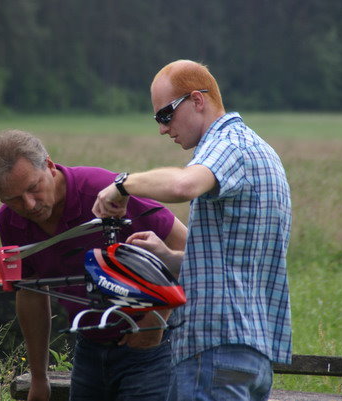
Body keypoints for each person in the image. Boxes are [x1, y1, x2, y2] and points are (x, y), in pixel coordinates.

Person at [93, 60, 292, 401]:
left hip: (214, 351)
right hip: (251, 356)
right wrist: (169, 258)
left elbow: (184, 185)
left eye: (165, 115)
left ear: (198, 101)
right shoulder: (263, 151)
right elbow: (235, 264)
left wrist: (123, 184)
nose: (162, 128)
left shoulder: (228, 145)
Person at [0, 130, 187, 401]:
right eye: (14, 199)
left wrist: (155, 322)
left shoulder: (102, 190)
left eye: (33, 188)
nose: (29, 205)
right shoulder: (10, 222)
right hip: (89, 347)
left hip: (149, 346)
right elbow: (30, 293)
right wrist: (39, 379)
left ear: (50, 167)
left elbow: (189, 249)